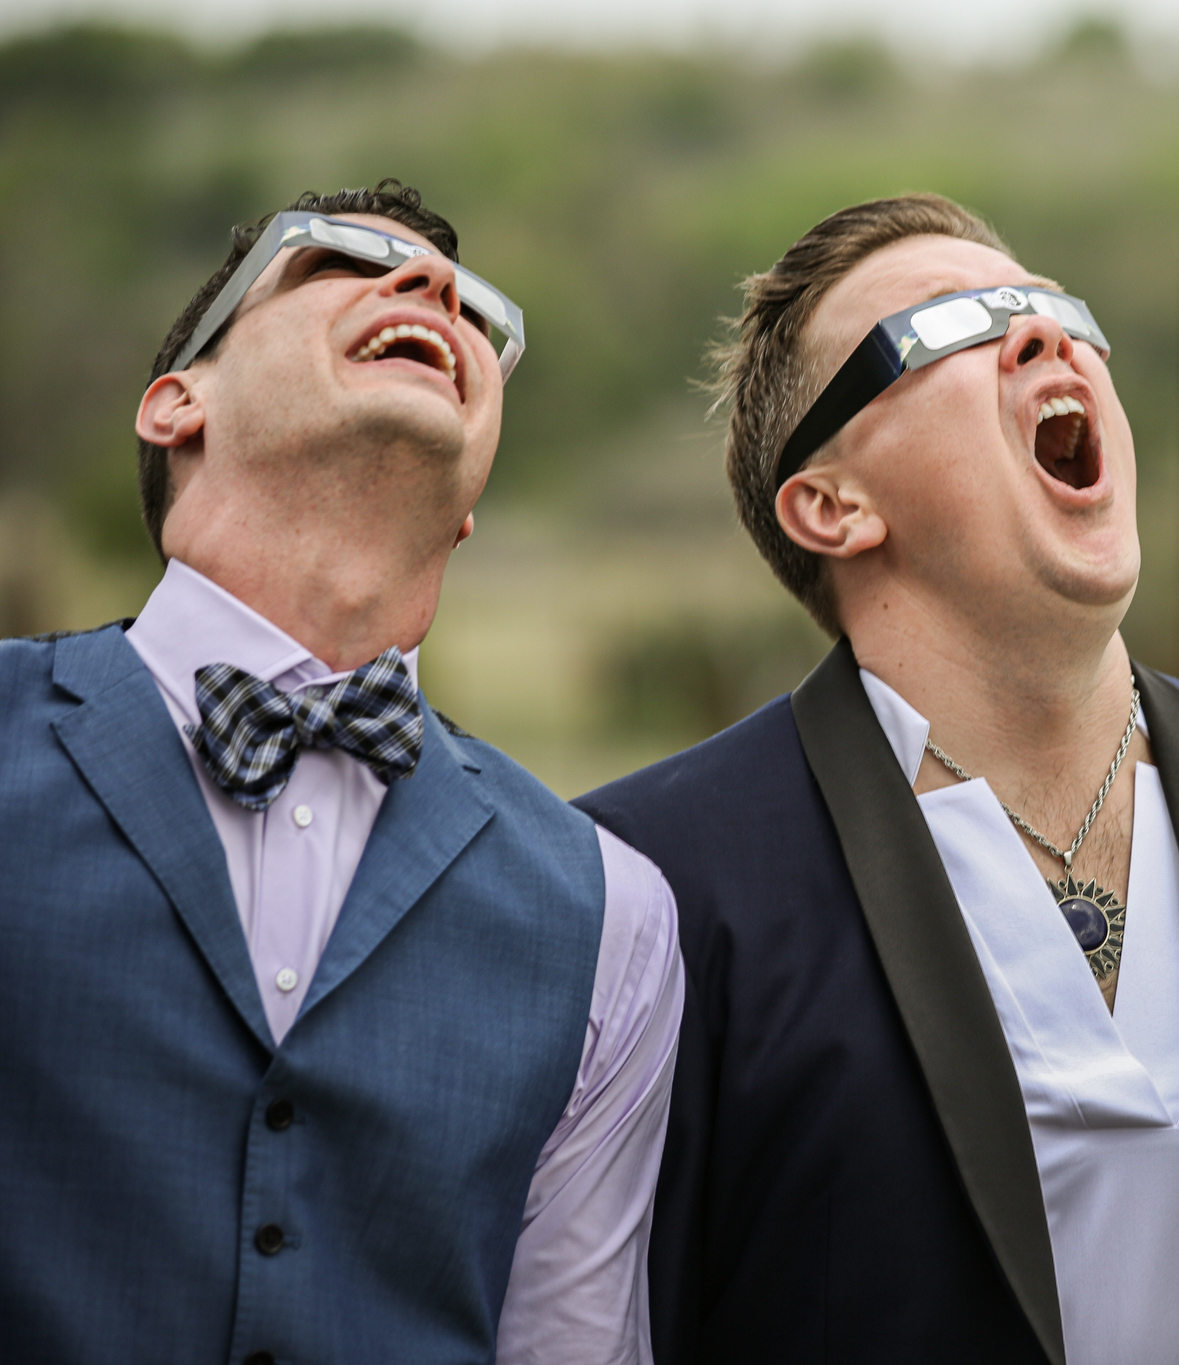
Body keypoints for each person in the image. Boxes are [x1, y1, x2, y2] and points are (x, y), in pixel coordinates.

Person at [578, 194, 1179, 1363]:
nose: (1038, 335)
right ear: (831, 505)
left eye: (1050, 306)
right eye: (941, 329)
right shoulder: (650, 881)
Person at [0, 181, 683, 1365]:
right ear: (176, 402)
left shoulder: (614, 915)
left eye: (477, 311)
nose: (428, 289)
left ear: (472, 500)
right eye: (335, 264)